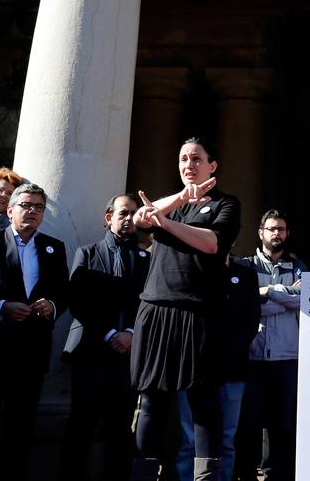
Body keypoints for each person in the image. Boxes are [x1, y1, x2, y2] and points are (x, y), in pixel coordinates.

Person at [129, 137, 241, 481]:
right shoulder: (172, 203)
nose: (188, 165)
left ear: (212, 166)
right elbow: (139, 220)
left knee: (201, 400)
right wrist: (176, 202)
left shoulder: (227, 203)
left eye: (196, 159)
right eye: (183, 159)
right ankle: (145, 472)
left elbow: (211, 243)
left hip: (196, 313)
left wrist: (166, 223)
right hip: (155, 309)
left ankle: (205, 475)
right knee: (150, 400)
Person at [0, 181, 69, 481]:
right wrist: (0, 307)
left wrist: (52, 305)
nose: (32, 211)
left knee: (20, 431)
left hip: (31, 354)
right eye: (26, 205)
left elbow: (63, 291)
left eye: (38, 207)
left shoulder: (53, 247)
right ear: (10, 210)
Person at [59, 194, 150, 481]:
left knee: (121, 427)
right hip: (92, 352)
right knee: (81, 425)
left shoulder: (147, 259)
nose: (128, 218)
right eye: (123, 212)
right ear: (109, 217)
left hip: (129, 355)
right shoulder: (87, 253)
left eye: (134, 213)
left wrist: (132, 335)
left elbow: (149, 305)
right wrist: (111, 334)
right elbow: (78, 301)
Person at [175, 256, 259, 481]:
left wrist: (231, 349)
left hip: (232, 369)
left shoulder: (244, 271)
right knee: (189, 438)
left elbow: (252, 318)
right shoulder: (189, 267)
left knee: (226, 438)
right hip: (193, 369)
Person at [236, 209, 306, 481]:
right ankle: (249, 474)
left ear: (287, 234)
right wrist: (281, 301)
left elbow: (306, 299)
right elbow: (245, 306)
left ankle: (279, 475)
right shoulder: (245, 266)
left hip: (288, 357)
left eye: (282, 229)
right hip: (253, 357)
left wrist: (267, 292)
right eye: (272, 228)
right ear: (261, 233)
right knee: (250, 424)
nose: (277, 233)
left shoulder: (299, 267)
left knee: (283, 425)